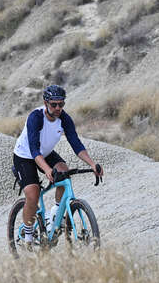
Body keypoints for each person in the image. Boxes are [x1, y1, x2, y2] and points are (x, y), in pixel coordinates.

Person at [12, 84, 103, 246]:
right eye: (54, 104)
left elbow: (76, 144)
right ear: (45, 102)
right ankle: (28, 236)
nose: (58, 107)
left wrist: (93, 164)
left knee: (64, 172)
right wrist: (47, 170)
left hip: (45, 153)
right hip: (25, 156)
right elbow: (34, 149)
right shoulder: (36, 117)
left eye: (61, 104)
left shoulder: (64, 119)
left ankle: (55, 214)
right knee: (33, 194)